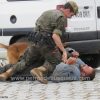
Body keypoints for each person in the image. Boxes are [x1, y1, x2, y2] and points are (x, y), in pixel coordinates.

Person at [0, 1, 78, 84]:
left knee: (24, 62)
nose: (70, 17)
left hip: (34, 41)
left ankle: (6, 74)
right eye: (72, 15)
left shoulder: (47, 12)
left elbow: (37, 25)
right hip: (46, 44)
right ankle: (38, 71)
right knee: (55, 61)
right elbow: (55, 36)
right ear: (68, 10)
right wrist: (64, 51)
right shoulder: (62, 18)